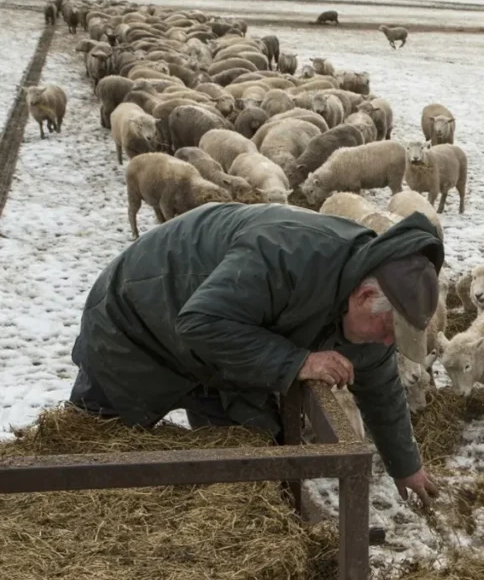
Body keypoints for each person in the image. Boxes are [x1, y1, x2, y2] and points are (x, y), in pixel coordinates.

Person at [67, 202, 444, 506]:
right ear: (364, 298)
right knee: (98, 454)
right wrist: (299, 361)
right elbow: (200, 322)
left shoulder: (371, 317)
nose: (385, 344)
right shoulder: (289, 254)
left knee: (257, 466)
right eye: (388, 331)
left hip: (227, 349)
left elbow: (380, 387)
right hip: (139, 319)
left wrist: (405, 466)